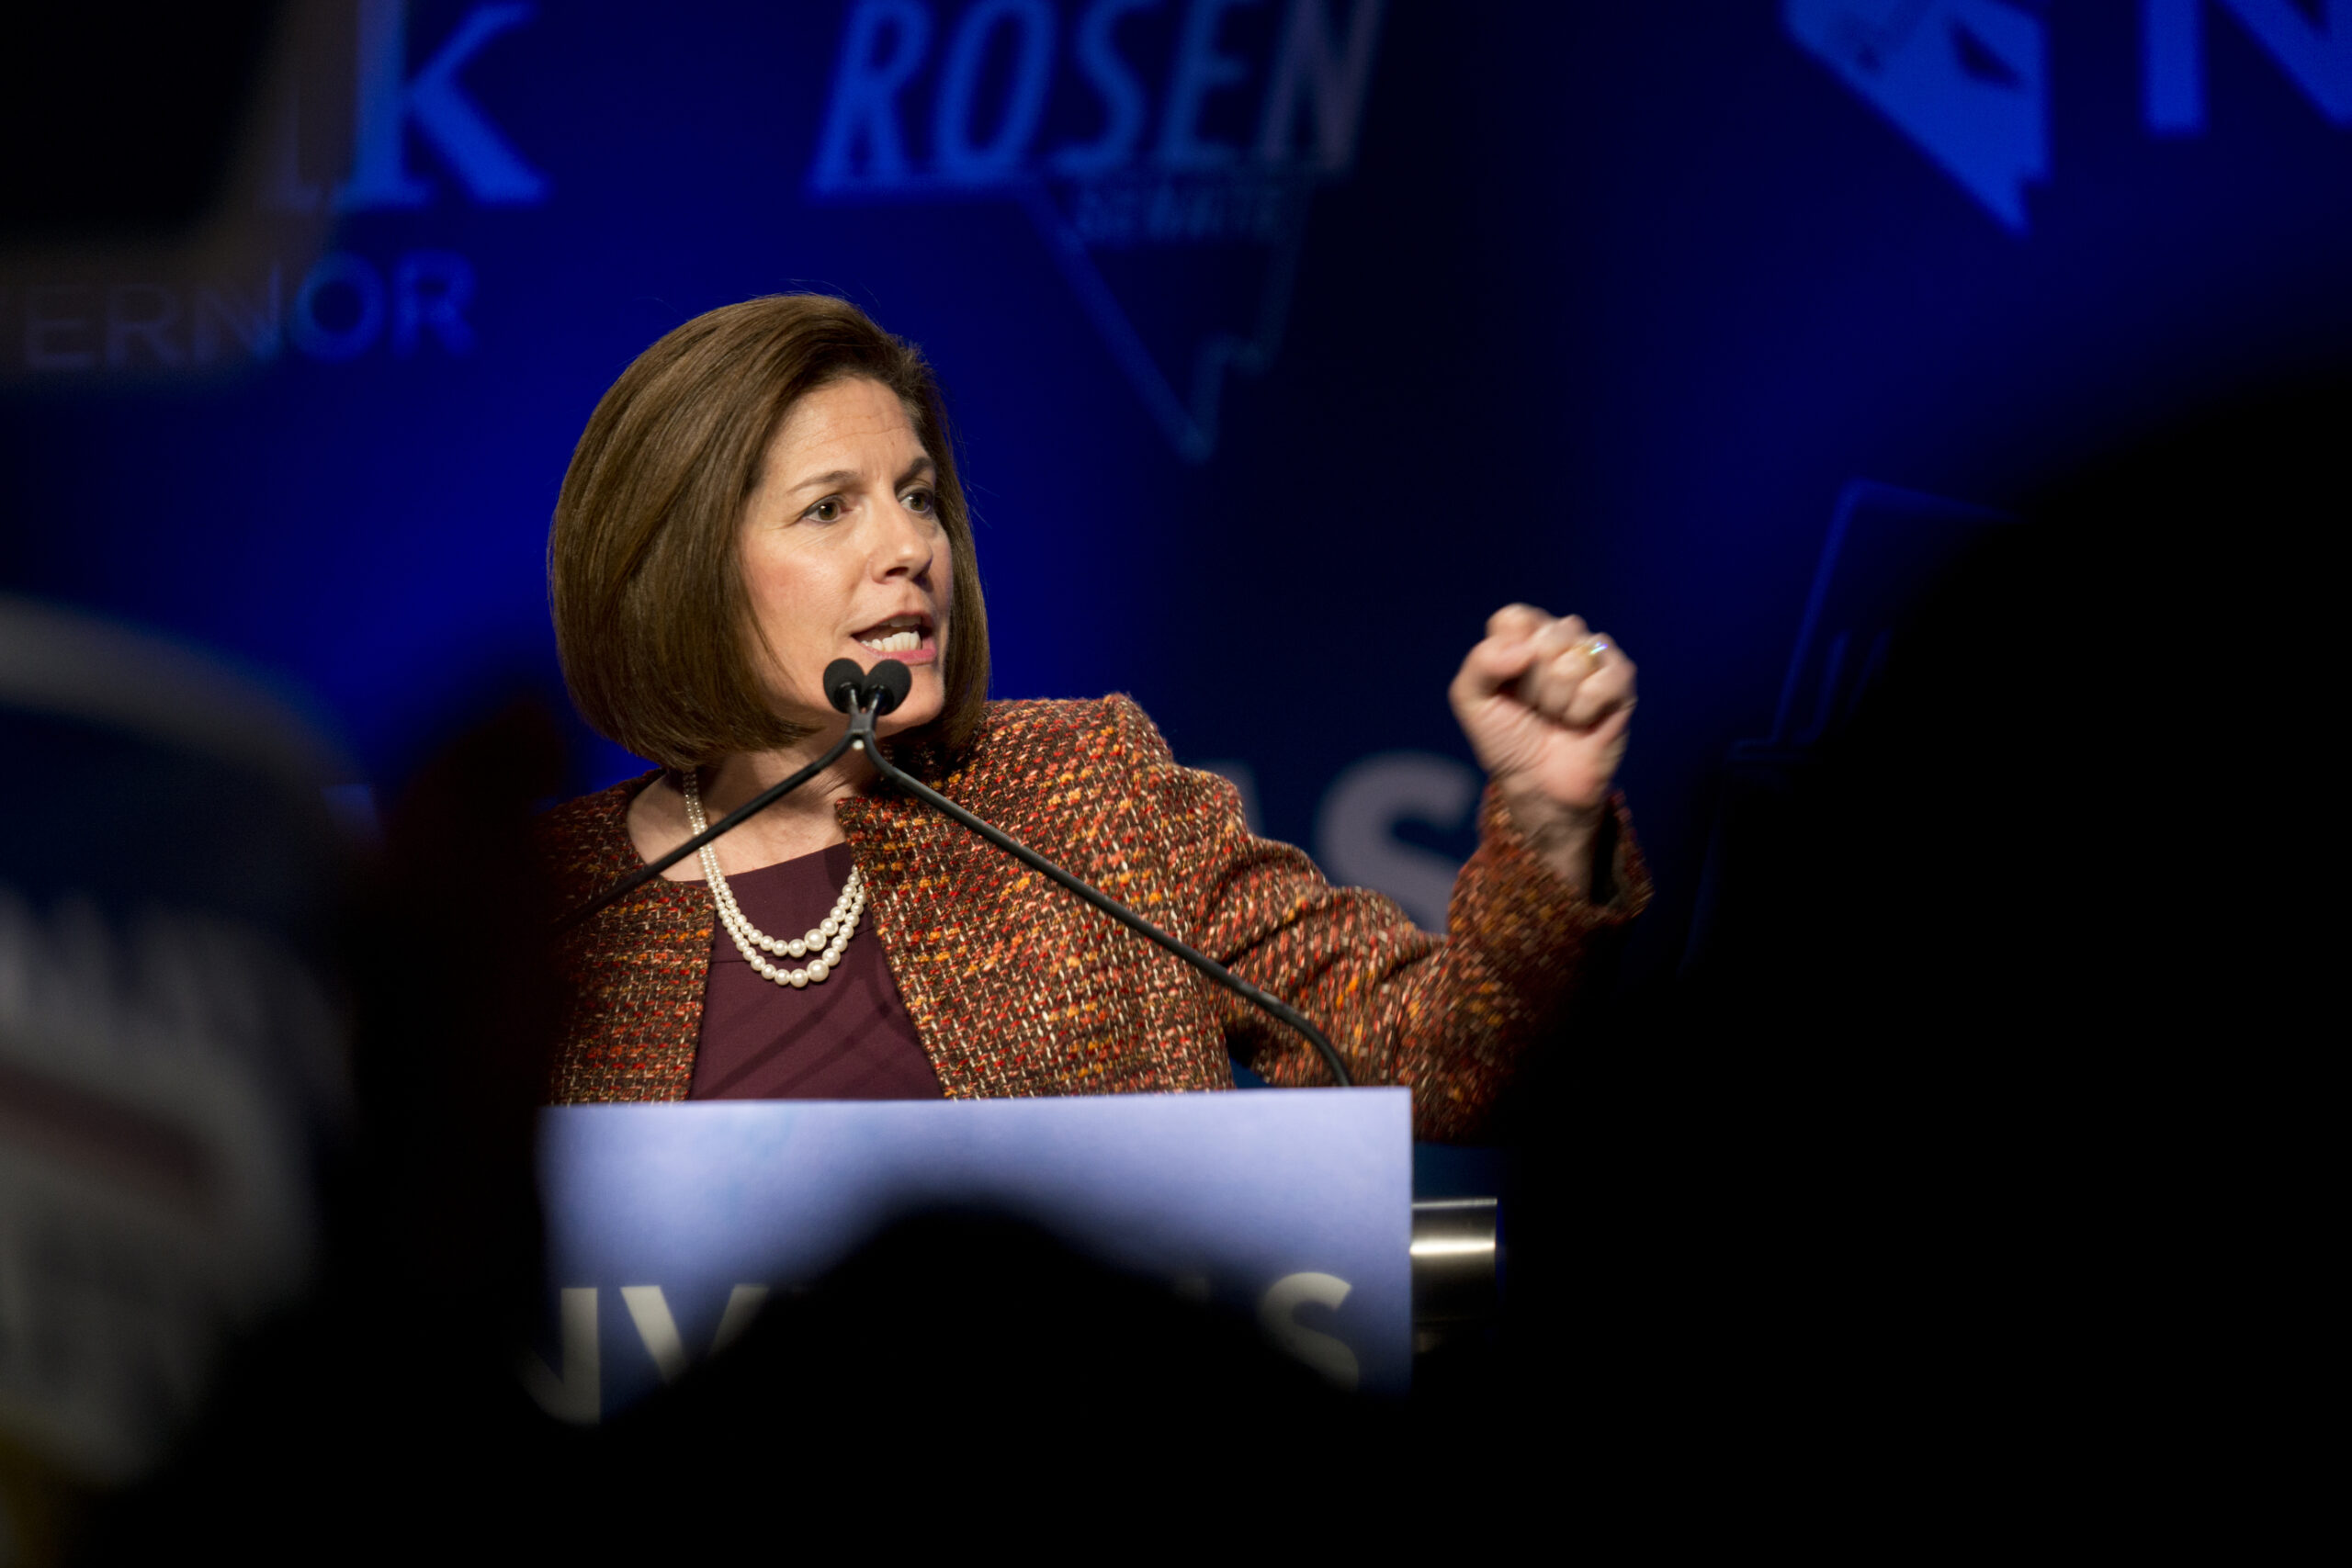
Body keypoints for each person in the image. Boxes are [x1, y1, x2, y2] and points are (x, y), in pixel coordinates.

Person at [536, 294, 1647, 1139]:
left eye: (917, 496)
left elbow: (1441, 1058)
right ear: (681, 570)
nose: (909, 549)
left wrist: (1548, 824)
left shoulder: (1089, 791)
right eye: (831, 509)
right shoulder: (554, 909)